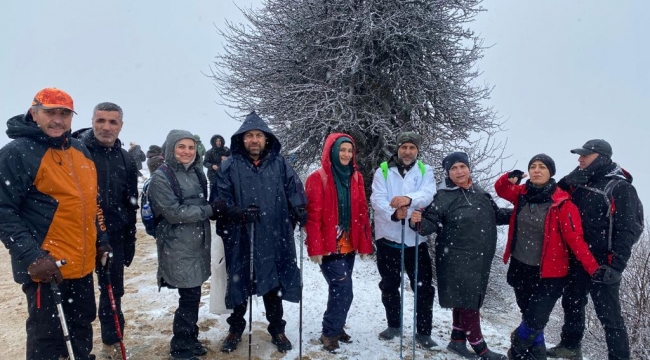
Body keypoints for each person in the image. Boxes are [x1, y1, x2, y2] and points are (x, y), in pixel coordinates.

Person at [0, 87, 111, 360]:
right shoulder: (17, 153)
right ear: (34, 113)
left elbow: (90, 203)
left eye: (65, 113)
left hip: (82, 266)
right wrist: (32, 256)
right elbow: (3, 210)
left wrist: (101, 240)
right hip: (47, 269)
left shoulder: (80, 150)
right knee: (47, 339)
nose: (58, 119)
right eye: (50, 112)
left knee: (82, 328)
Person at [212, 111, 307, 353]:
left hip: (273, 234)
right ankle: (235, 328)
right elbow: (220, 199)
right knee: (240, 282)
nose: (254, 140)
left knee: (272, 282)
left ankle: (277, 329)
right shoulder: (229, 166)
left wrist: (298, 206)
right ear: (242, 139)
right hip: (242, 235)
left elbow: (293, 185)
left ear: (266, 139)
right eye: (250, 136)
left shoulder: (280, 163)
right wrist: (239, 213)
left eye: (259, 136)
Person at [494, 154, 603, 360]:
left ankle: (517, 348)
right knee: (528, 314)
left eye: (542, 167)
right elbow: (501, 190)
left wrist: (594, 269)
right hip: (520, 267)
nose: (536, 170)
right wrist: (507, 178)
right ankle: (537, 354)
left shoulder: (563, 204)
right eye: (533, 166)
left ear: (551, 172)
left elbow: (576, 240)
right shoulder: (522, 194)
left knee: (535, 319)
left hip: (550, 274)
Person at [547, 140, 644, 360]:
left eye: (585, 156)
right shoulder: (580, 181)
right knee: (572, 302)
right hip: (578, 257)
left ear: (600, 158)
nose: (579, 159)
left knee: (609, 317)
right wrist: (565, 182)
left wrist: (616, 266)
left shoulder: (621, 188)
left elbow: (626, 230)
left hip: (603, 263)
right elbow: (554, 199)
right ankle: (570, 347)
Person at [410, 152, 510, 360]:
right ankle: (479, 344)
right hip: (454, 257)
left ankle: (457, 341)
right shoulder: (443, 196)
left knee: (465, 298)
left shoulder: (480, 192)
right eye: (454, 168)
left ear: (469, 168)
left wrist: (518, 211)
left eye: (462, 167)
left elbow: (496, 216)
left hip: (480, 257)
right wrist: (417, 221)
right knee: (468, 299)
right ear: (448, 173)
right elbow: (429, 224)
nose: (459, 172)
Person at [71, 102, 139, 358]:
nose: (106, 127)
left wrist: (129, 238)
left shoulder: (126, 158)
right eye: (101, 121)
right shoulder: (77, 150)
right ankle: (80, 348)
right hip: (81, 236)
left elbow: (131, 201)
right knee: (80, 296)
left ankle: (111, 341)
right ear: (92, 121)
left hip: (116, 236)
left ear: (121, 126)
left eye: (113, 122)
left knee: (113, 291)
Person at [149, 129, 216, 360]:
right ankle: (180, 349)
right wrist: (209, 210)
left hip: (198, 243)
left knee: (193, 295)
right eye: (181, 147)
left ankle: (190, 338)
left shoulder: (198, 173)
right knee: (188, 297)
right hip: (177, 245)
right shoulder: (161, 177)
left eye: (190, 147)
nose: (187, 152)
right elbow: (173, 212)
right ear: (171, 149)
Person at [304, 133, 373, 352]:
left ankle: (337, 325)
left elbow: (362, 213)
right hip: (328, 245)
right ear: (332, 151)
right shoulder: (318, 178)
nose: (346, 154)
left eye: (350, 150)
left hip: (349, 244)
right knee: (342, 288)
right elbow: (312, 216)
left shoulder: (356, 178)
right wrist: (314, 248)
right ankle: (330, 333)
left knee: (344, 290)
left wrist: (364, 244)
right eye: (342, 150)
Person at [369, 131, 437, 349]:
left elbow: (428, 193)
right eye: (404, 147)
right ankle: (394, 325)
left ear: (417, 150)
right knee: (389, 285)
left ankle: (424, 331)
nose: (408, 151)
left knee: (423, 288)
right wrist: (394, 213)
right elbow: (377, 199)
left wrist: (408, 200)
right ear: (397, 148)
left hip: (415, 241)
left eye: (412, 148)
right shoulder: (383, 170)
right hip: (388, 237)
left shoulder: (426, 170)